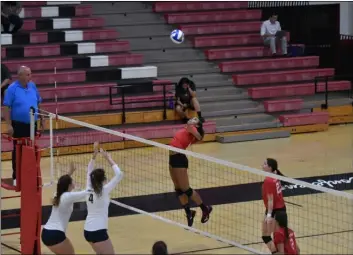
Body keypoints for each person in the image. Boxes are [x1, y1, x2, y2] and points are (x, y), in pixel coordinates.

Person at [3, 66, 44, 186]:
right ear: (20, 75)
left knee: (32, 150)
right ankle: (16, 177)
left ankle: (31, 175)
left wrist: (41, 118)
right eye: (28, 74)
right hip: (18, 125)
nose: (30, 77)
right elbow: (6, 107)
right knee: (18, 150)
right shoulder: (12, 89)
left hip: (32, 124)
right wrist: (9, 125)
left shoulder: (33, 86)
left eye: (30, 74)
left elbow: (38, 102)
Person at [41, 159, 91, 254]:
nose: (74, 182)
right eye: (72, 181)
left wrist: (70, 172)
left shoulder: (58, 194)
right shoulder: (68, 196)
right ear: (69, 185)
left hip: (46, 233)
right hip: (56, 234)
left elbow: (62, 182)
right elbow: (87, 192)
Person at [169, 117, 212, 227]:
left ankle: (205, 208)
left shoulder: (191, 128)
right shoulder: (188, 128)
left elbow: (199, 136)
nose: (192, 119)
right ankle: (189, 213)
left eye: (195, 119)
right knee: (178, 189)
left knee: (186, 189)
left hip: (179, 158)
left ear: (196, 125)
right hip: (172, 158)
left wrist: (194, 128)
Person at [84, 146, 124, 254]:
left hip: (87, 231)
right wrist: (108, 158)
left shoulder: (88, 188)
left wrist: (94, 155)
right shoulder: (104, 190)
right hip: (99, 231)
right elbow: (119, 174)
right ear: (104, 179)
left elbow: (89, 170)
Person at [261, 158, 286, 249]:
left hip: (275, 211)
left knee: (267, 237)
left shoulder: (269, 180)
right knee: (281, 239)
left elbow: (270, 200)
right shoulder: (276, 175)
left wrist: (269, 215)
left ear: (270, 167)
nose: (262, 165)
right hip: (281, 209)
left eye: (264, 164)